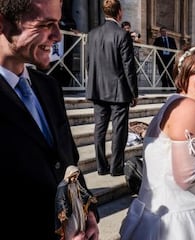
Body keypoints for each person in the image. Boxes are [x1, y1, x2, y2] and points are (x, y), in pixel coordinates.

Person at [0, 0, 99, 239]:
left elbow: (68, 163)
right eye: (46, 24)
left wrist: (87, 213)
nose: (57, 35)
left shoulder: (49, 87)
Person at [119, 46, 195, 239]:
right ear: (183, 76)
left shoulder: (175, 103)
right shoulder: (187, 107)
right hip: (176, 222)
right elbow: (187, 179)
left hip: (157, 213)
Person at [86, 0, 138, 176]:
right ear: (120, 13)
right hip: (118, 91)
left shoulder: (92, 34)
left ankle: (101, 167)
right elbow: (129, 68)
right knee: (119, 131)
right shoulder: (122, 35)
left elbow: (88, 63)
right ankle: (116, 168)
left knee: (99, 129)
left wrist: (94, 82)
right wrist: (134, 93)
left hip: (97, 89)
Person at [55, 166, 98, 240]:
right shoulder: (62, 187)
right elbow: (61, 200)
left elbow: (83, 190)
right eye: (74, 176)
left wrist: (90, 209)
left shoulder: (75, 182)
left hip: (78, 207)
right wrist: (65, 211)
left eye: (76, 176)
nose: (75, 178)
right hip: (67, 213)